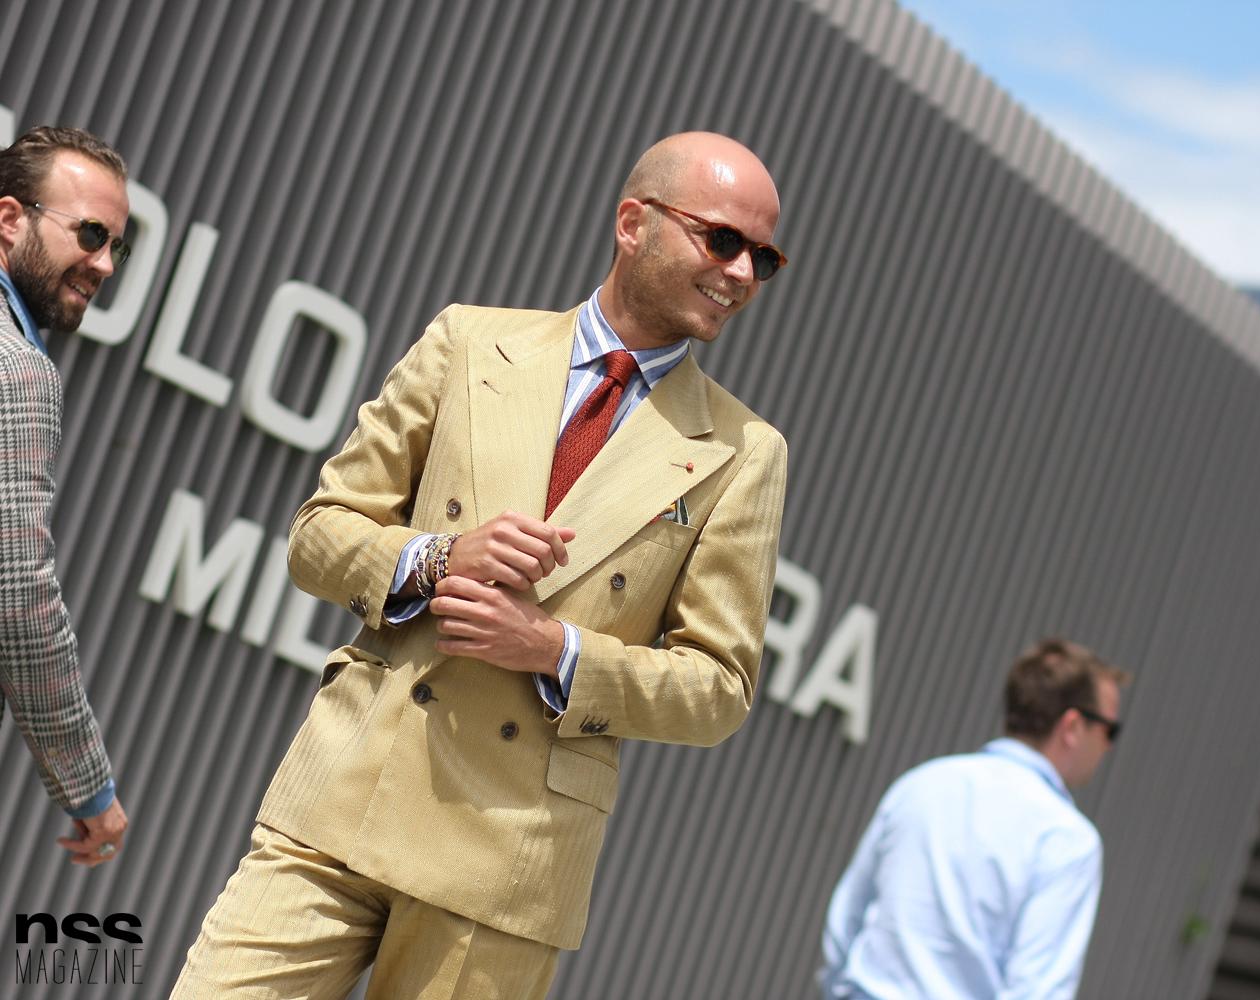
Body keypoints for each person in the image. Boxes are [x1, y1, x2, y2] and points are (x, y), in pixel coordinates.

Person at [173, 131, 788, 999]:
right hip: (344, 797)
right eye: (721, 240)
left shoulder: (743, 450)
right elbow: (319, 534)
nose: (742, 273)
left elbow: (719, 687)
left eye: (765, 257)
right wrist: (438, 557)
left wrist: (554, 651)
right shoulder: (469, 341)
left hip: (506, 866)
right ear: (632, 223)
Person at [821, 637, 1129, 1000]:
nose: (1109, 745)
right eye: (1110, 730)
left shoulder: (921, 784)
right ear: (1073, 726)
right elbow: (1037, 990)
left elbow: (846, 920)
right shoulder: (1066, 838)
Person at [0, 126, 131, 868]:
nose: (104, 264)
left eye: (117, 246)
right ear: (9, 219)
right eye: (89, 234)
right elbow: (18, 592)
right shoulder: (19, 371)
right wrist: (89, 787)